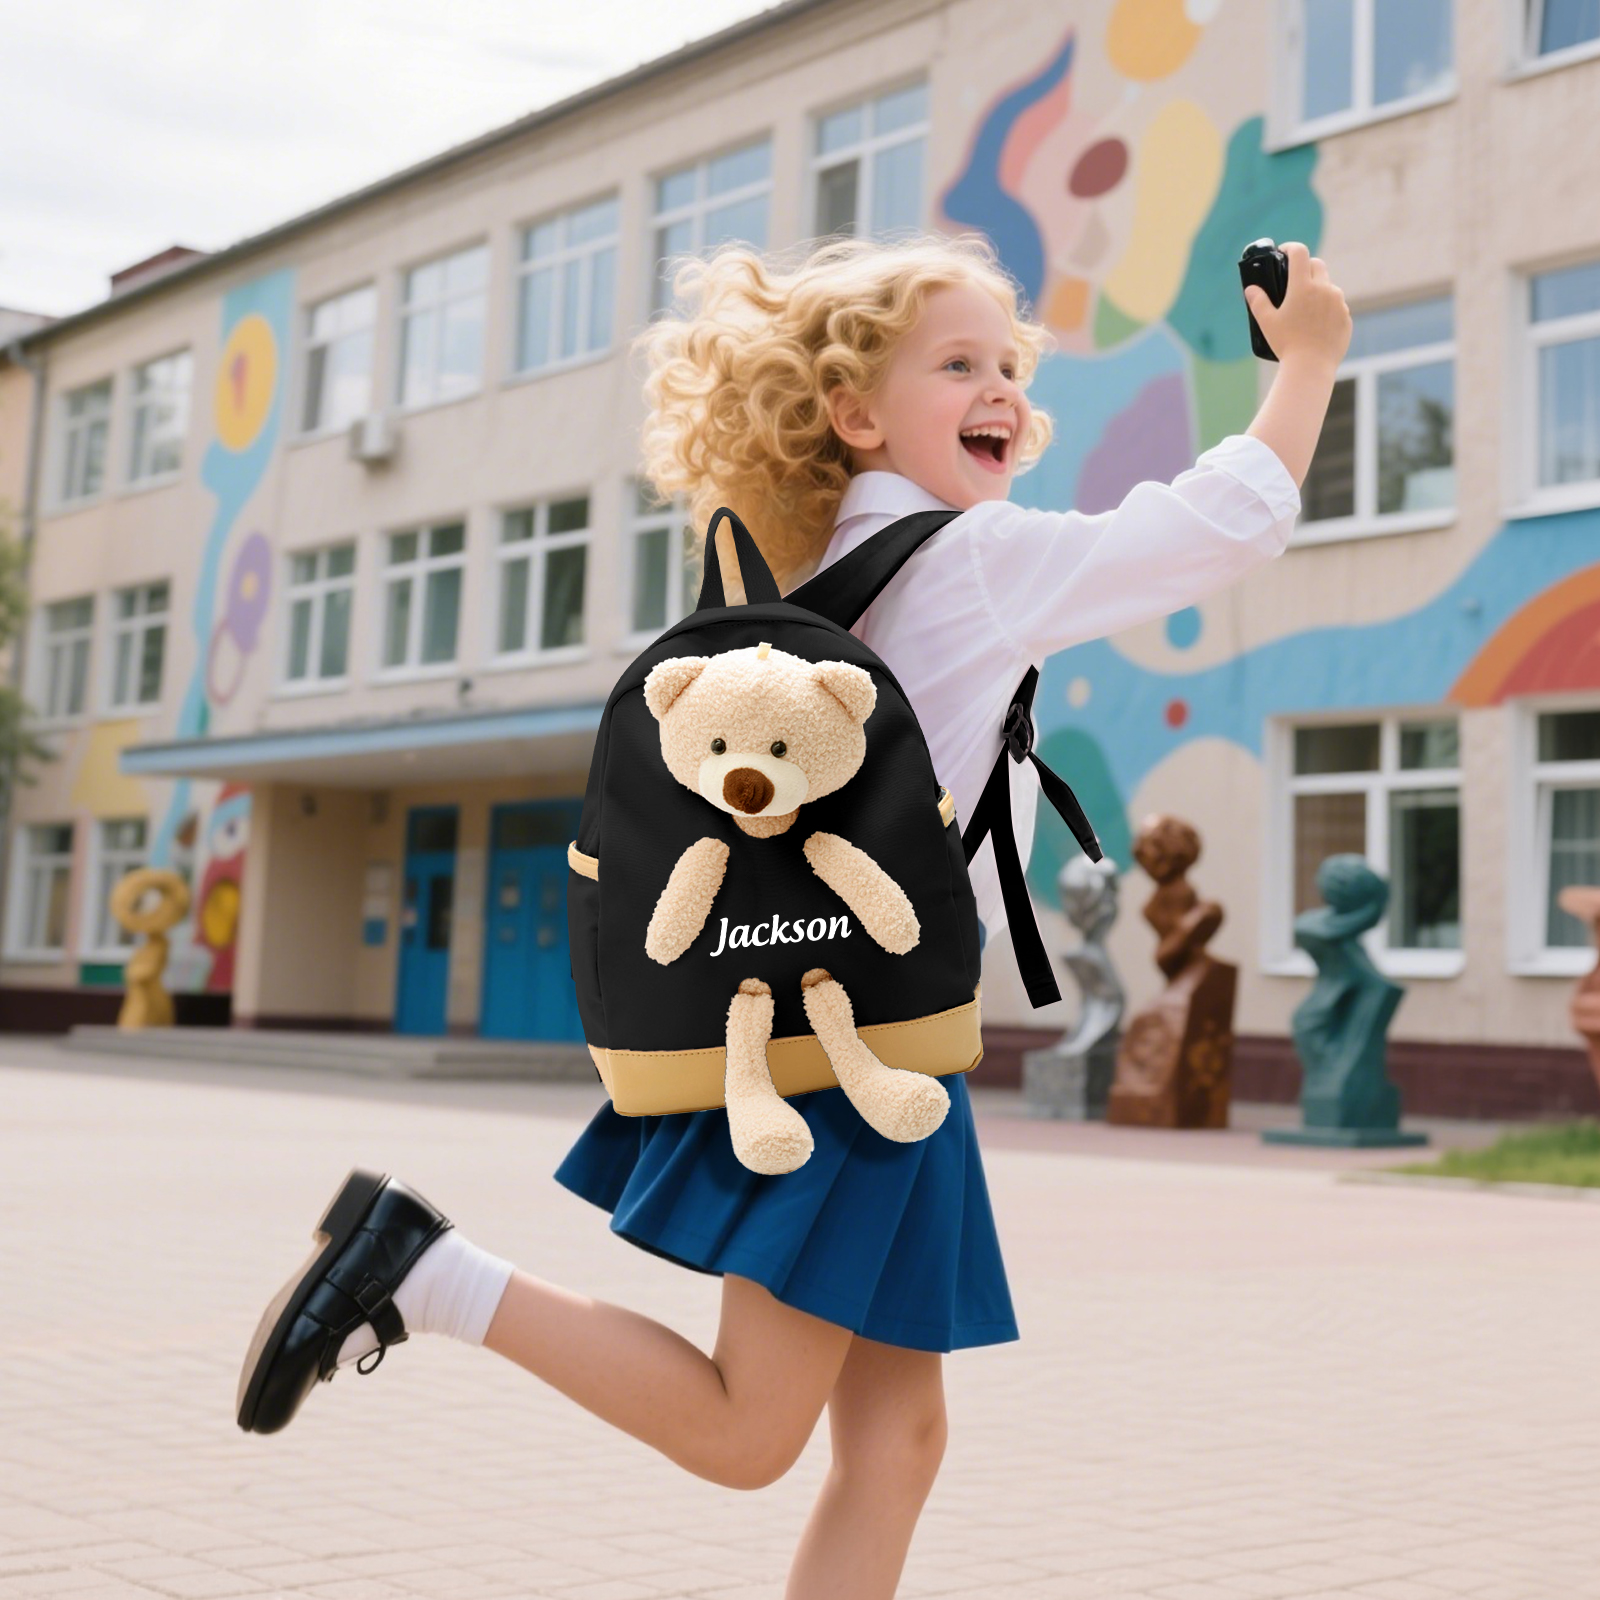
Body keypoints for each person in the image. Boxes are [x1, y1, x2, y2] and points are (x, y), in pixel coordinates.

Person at [237, 230, 1349, 1599]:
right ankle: (426, 1271)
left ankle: (431, 1271)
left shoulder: (823, 574)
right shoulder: (976, 558)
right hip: (846, 1060)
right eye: (957, 363)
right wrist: (1307, 366)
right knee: (748, 1431)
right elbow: (1216, 528)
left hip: (840, 1041)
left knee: (899, 1439)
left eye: (1008, 365)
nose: (1000, 387)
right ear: (854, 413)